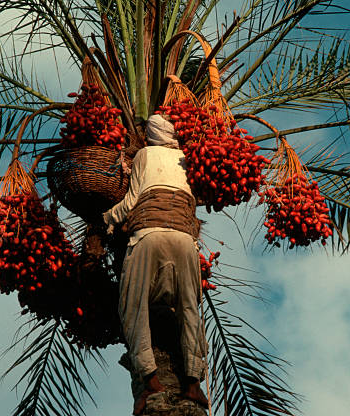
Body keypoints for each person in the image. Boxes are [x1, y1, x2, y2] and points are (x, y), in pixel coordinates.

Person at [102, 114, 209, 415]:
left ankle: (149, 379)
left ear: (149, 135)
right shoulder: (188, 159)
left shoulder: (144, 155)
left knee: (132, 307)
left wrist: (107, 220)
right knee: (189, 308)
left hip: (148, 236)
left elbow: (132, 200)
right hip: (185, 241)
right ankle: (193, 382)